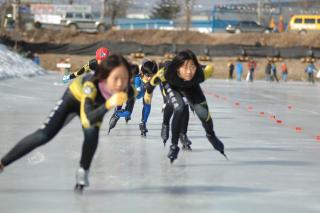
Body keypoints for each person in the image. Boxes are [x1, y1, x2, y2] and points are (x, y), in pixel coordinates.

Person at [0, 54, 134, 192]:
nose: (120, 84)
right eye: (115, 78)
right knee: (44, 135)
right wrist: (109, 104)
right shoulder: (91, 85)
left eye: (124, 78)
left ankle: (83, 173)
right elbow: (87, 119)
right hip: (73, 98)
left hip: (95, 105)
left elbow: (132, 97)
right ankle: (2, 163)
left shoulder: (127, 89)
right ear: (105, 76)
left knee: (92, 133)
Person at [148, 49, 226, 163]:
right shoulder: (167, 73)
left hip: (191, 87)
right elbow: (151, 84)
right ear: (177, 67)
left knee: (203, 113)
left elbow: (209, 68)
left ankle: (211, 135)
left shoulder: (200, 73)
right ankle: (173, 144)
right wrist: (148, 93)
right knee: (178, 108)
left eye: (192, 67)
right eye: (184, 67)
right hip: (172, 86)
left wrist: (211, 134)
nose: (189, 72)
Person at [108, 59, 158, 136]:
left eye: (152, 76)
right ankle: (117, 113)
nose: (150, 78)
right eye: (148, 76)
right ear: (142, 73)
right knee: (127, 113)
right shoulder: (136, 79)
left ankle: (143, 123)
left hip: (141, 93)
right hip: (130, 93)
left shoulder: (152, 80)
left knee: (147, 104)